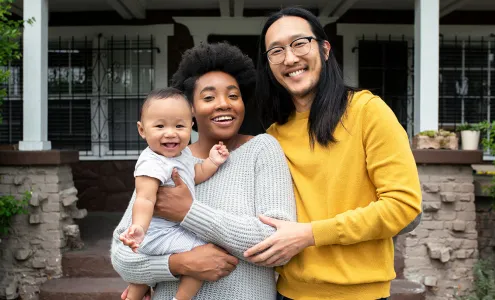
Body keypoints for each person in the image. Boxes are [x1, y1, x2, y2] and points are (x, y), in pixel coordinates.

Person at [242, 7, 423, 300]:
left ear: (325, 49)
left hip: (360, 294)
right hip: (288, 293)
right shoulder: (274, 136)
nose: (290, 58)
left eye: (300, 43)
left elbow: (403, 206)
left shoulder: (367, 111)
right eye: (276, 51)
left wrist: (310, 234)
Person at [110, 42, 297, 300]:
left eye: (233, 95)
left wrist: (189, 212)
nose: (224, 104)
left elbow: (278, 243)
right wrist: (179, 264)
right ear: (191, 111)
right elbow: (123, 255)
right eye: (208, 97)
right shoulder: (167, 159)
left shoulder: (262, 149)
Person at [119, 87, 230, 300]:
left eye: (179, 125)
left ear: (191, 126)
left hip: (167, 232)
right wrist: (140, 228)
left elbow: (194, 174)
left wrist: (212, 162)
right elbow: (145, 198)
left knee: (140, 282)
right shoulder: (152, 162)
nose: (171, 133)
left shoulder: (183, 155)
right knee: (201, 256)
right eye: (160, 126)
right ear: (142, 130)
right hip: (157, 234)